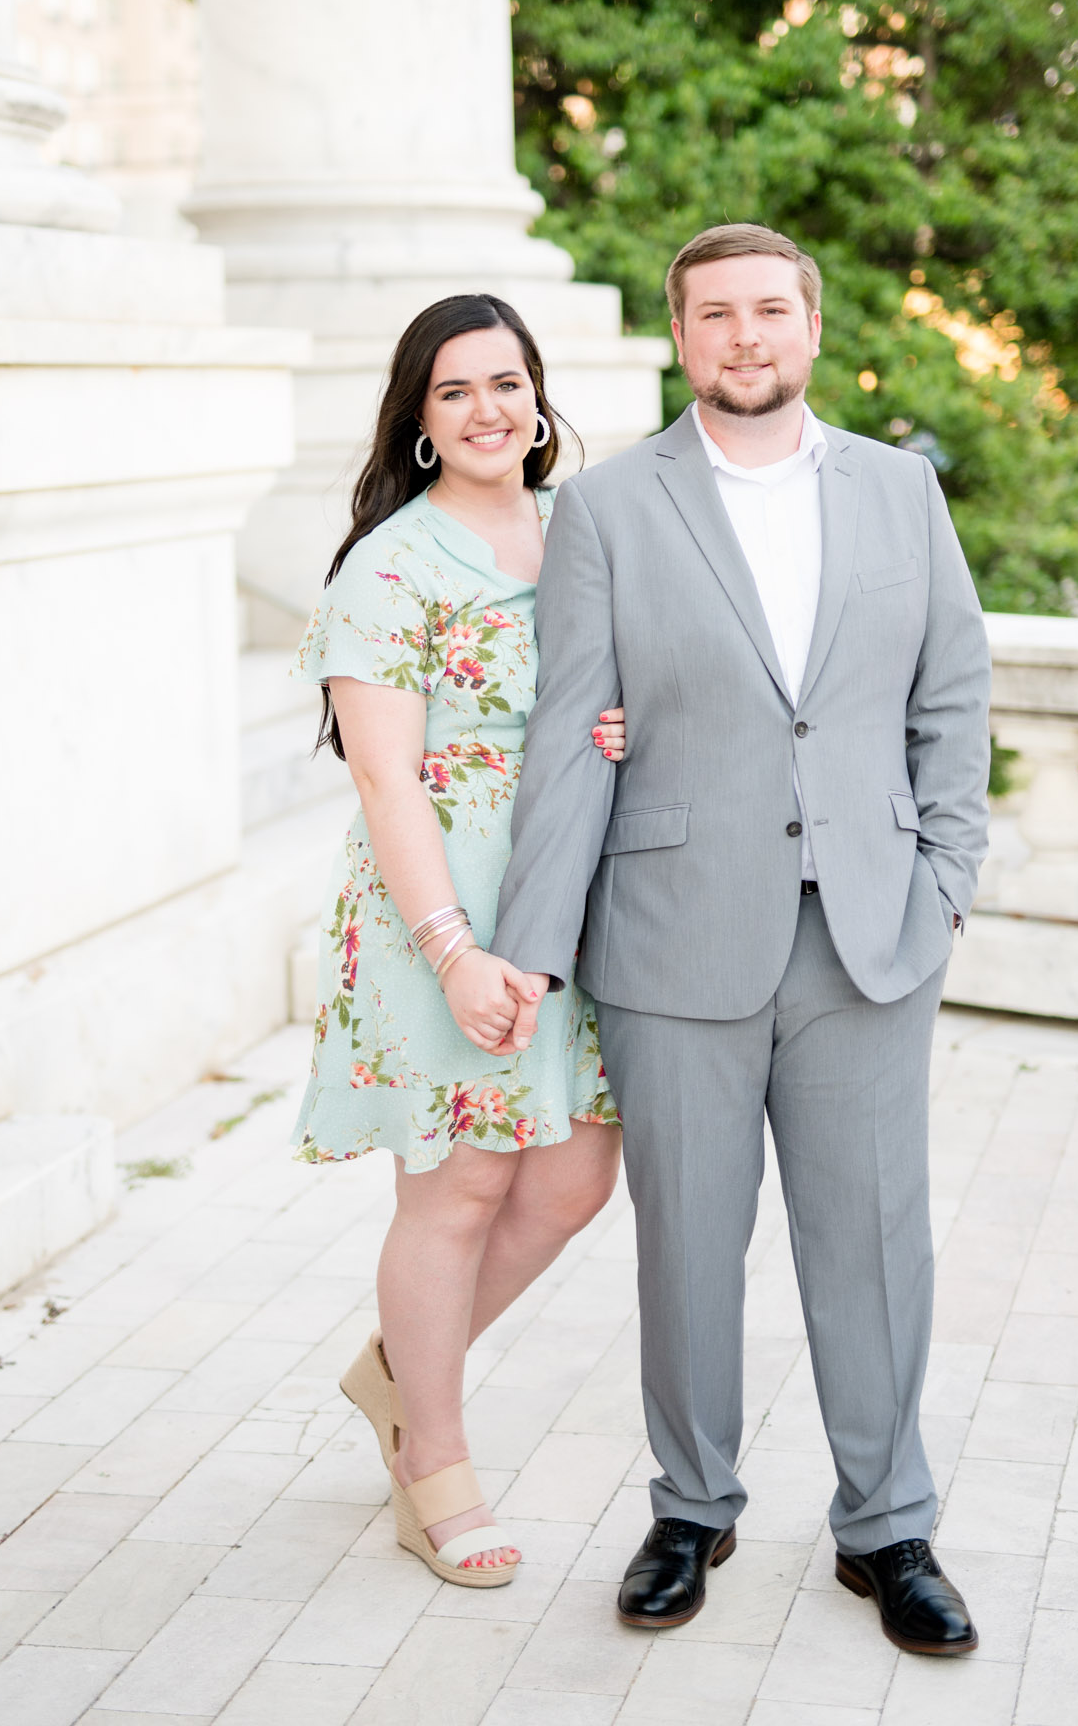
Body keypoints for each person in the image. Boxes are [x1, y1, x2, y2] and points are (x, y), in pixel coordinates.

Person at [492, 222, 992, 1652]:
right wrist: (530, 949)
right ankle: (691, 1507)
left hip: (869, 938)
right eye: (716, 315)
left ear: (813, 328)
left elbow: (952, 693)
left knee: (877, 1241)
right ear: (681, 336)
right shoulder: (606, 509)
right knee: (688, 1247)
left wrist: (943, 879)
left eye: (771, 310)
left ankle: (888, 1527)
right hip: (670, 936)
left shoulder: (900, 492)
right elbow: (567, 737)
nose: (746, 337)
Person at [292, 292, 625, 1590]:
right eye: (454, 392)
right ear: (420, 423)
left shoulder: (586, 535)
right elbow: (388, 785)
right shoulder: (393, 566)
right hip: (445, 908)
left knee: (572, 1181)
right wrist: (451, 950)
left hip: (574, 905)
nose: (488, 410)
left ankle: (392, 1370)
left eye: (507, 383)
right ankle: (433, 1458)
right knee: (463, 1186)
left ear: (539, 398)